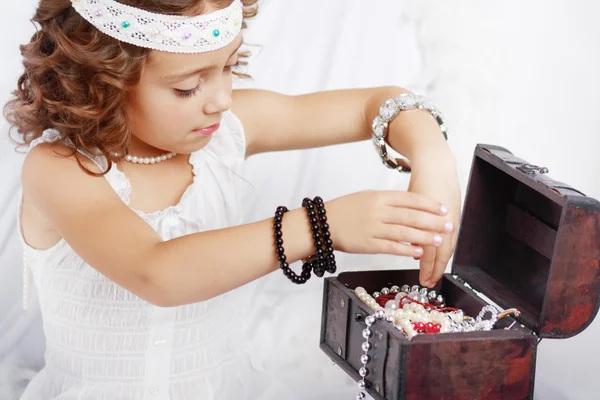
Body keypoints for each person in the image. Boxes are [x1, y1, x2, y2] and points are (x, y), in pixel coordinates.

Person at [4, 0, 461, 398]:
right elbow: (157, 271)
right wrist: (324, 224)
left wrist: (432, 156)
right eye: (188, 87)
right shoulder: (60, 167)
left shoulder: (227, 130)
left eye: (228, 66)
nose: (221, 100)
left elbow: (375, 106)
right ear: (102, 80)